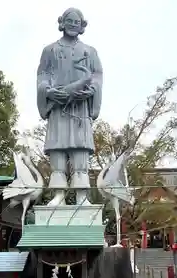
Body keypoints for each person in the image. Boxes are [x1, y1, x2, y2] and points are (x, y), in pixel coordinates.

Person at [36, 7, 103, 206]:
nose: (73, 25)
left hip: (80, 108)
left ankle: (82, 195)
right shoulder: (50, 50)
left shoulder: (90, 52)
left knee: (80, 149)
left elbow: (97, 77)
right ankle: (59, 194)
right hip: (57, 106)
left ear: (82, 26)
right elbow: (42, 76)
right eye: (69, 21)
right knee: (57, 148)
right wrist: (47, 91)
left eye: (76, 22)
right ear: (62, 23)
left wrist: (92, 90)